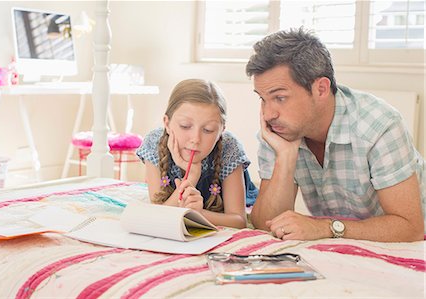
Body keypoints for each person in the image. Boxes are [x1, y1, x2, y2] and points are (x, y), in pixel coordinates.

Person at [246, 27, 425, 242]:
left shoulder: (379, 125)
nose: (268, 113)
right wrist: (285, 158)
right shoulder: (278, 130)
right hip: (348, 243)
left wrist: (325, 227)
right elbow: (266, 224)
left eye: (280, 98)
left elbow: (410, 228)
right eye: (262, 99)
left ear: (321, 89)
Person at [137, 79, 258, 229]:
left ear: (221, 130)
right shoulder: (154, 143)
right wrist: (191, 177)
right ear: (167, 123)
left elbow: (239, 221)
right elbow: (159, 213)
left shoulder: (230, 148)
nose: (195, 139)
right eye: (185, 126)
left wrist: (197, 213)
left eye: (208, 130)